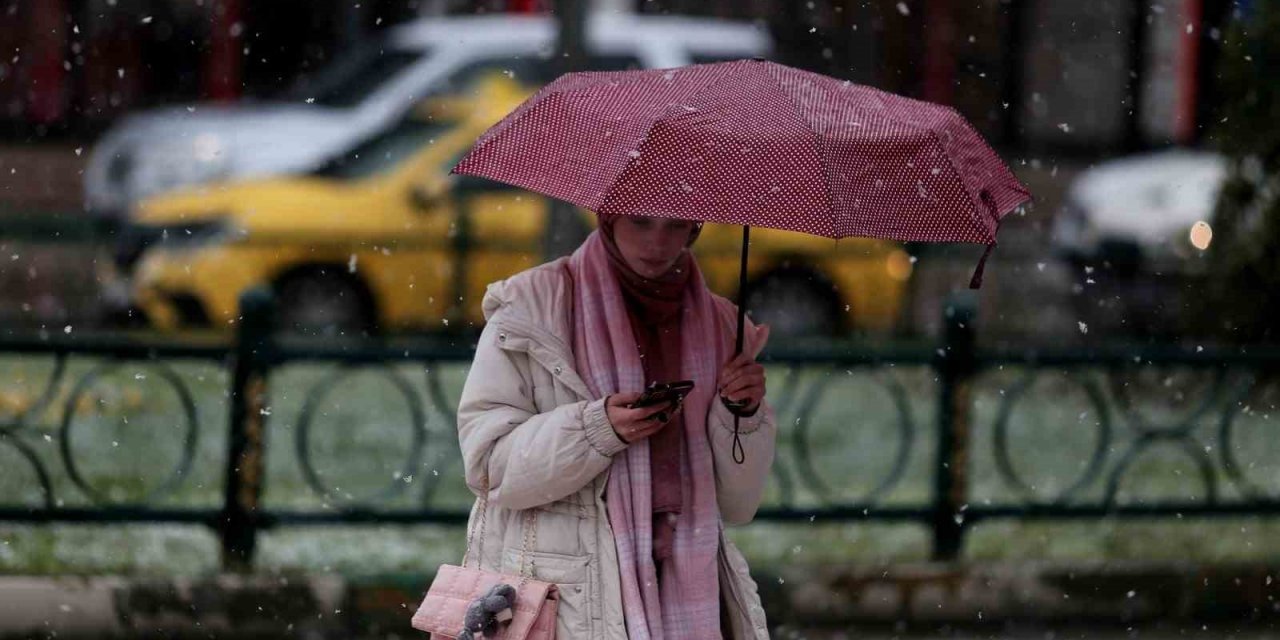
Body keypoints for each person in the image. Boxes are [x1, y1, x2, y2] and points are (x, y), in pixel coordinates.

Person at [456, 212, 777, 639]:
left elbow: (738, 504)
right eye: (641, 222)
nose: (657, 243)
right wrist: (596, 430)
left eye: (676, 226)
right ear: (608, 217)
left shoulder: (721, 326)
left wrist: (742, 414)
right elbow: (489, 465)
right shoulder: (532, 307)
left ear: (696, 229)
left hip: (690, 592)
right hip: (570, 596)